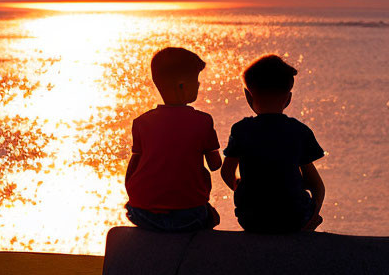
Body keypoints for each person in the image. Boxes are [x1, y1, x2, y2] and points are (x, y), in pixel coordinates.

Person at [221, 55, 325, 233]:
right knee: (307, 205)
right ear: (288, 98)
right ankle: (309, 223)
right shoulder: (300, 131)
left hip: (251, 219)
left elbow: (227, 172)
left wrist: (244, 189)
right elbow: (316, 184)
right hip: (294, 218)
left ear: (248, 96)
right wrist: (314, 213)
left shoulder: (240, 130)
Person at [125, 47, 222, 232]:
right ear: (182, 85)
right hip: (189, 213)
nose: (199, 85)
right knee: (212, 217)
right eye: (197, 80)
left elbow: (133, 166)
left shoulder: (141, 122)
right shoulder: (203, 121)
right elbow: (215, 165)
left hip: (143, 212)